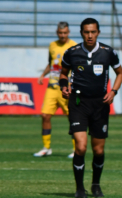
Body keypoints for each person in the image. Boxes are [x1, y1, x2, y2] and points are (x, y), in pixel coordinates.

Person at [60, 18, 122, 198]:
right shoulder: (71, 53)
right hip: (78, 103)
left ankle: (96, 184)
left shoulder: (108, 52)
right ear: (81, 33)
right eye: (86, 32)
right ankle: (79, 188)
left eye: (93, 32)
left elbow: (120, 73)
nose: (90, 35)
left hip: (100, 105)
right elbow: (63, 73)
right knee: (80, 147)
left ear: (98, 32)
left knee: (98, 150)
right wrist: (64, 86)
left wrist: (113, 91)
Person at [34, 22, 77, 158]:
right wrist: (43, 75)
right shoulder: (52, 45)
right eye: (60, 33)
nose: (62, 35)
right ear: (57, 32)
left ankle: (77, 149)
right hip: (52, 87)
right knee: (45, 115)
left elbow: (77, 66)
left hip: (67, 88)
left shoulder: (74, 46)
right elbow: (51, 62)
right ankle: (46, 148)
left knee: (73, 118)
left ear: (68, 32)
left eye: (65, 33)